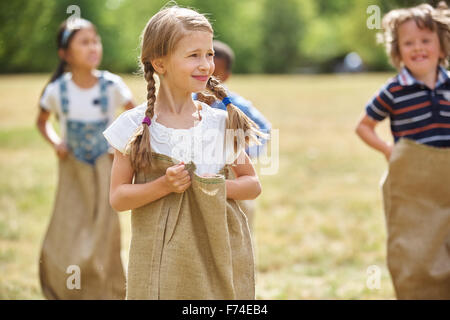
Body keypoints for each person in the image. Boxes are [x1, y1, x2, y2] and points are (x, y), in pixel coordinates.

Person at [103, 5, 266, 299]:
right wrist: (163, 185)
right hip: (162, 260)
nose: (206, 65)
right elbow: (118, 197)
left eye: (209, 54)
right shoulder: (133, 126)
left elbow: (252, 185)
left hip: (217, 250)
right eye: (193, 56)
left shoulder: (220, 123)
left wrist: (214, 186)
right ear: (160, 63)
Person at [355, 2, 450, 299]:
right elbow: (364, 126)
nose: (418, 48)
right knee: (416, 246)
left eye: (425, 41)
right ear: (397, 52)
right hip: (414, 185)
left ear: (442, 47)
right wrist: (388, 151)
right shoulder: (394, 90)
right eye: (409, 43)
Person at [36, 17, 134, 299]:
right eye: (84, 42)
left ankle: (107, 290)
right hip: (73, 169)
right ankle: (65, 287)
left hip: (105, 167)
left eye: (95, 40)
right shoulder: (57, 91)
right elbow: (42, 122)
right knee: (70, 226)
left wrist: (120, 145)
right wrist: (57, 142)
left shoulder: (112, 85)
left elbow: (137, 116)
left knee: (105, 229)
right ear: (65, 54)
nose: (93, 46)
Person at [197, 40, 271, 230]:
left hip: (233, 173)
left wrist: (248, 151)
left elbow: (263, 127)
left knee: (239, 221)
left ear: (227, 76)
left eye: (216, 73)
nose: (209, 77)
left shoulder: (237, 105)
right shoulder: (187, 102)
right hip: (201, 173)